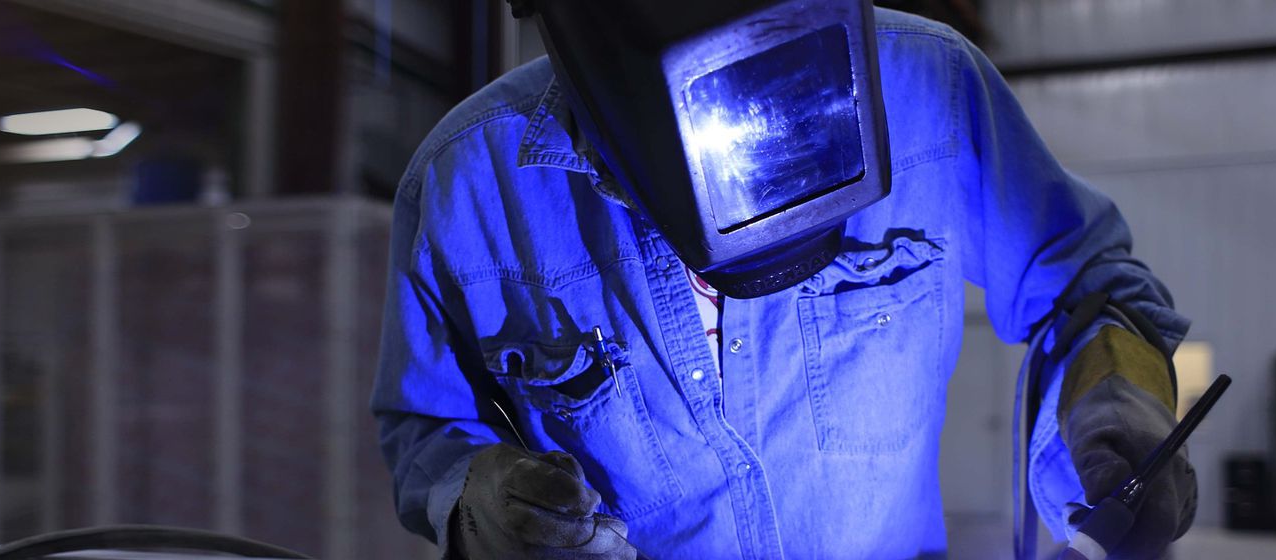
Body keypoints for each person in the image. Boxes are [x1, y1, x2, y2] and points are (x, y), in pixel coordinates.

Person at [371, 2, 1195, 558]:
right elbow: (424, 428)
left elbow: (1087, 284)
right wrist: (481, 498)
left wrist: (1113, 405)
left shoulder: (928, 89)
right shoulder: (468, 185)